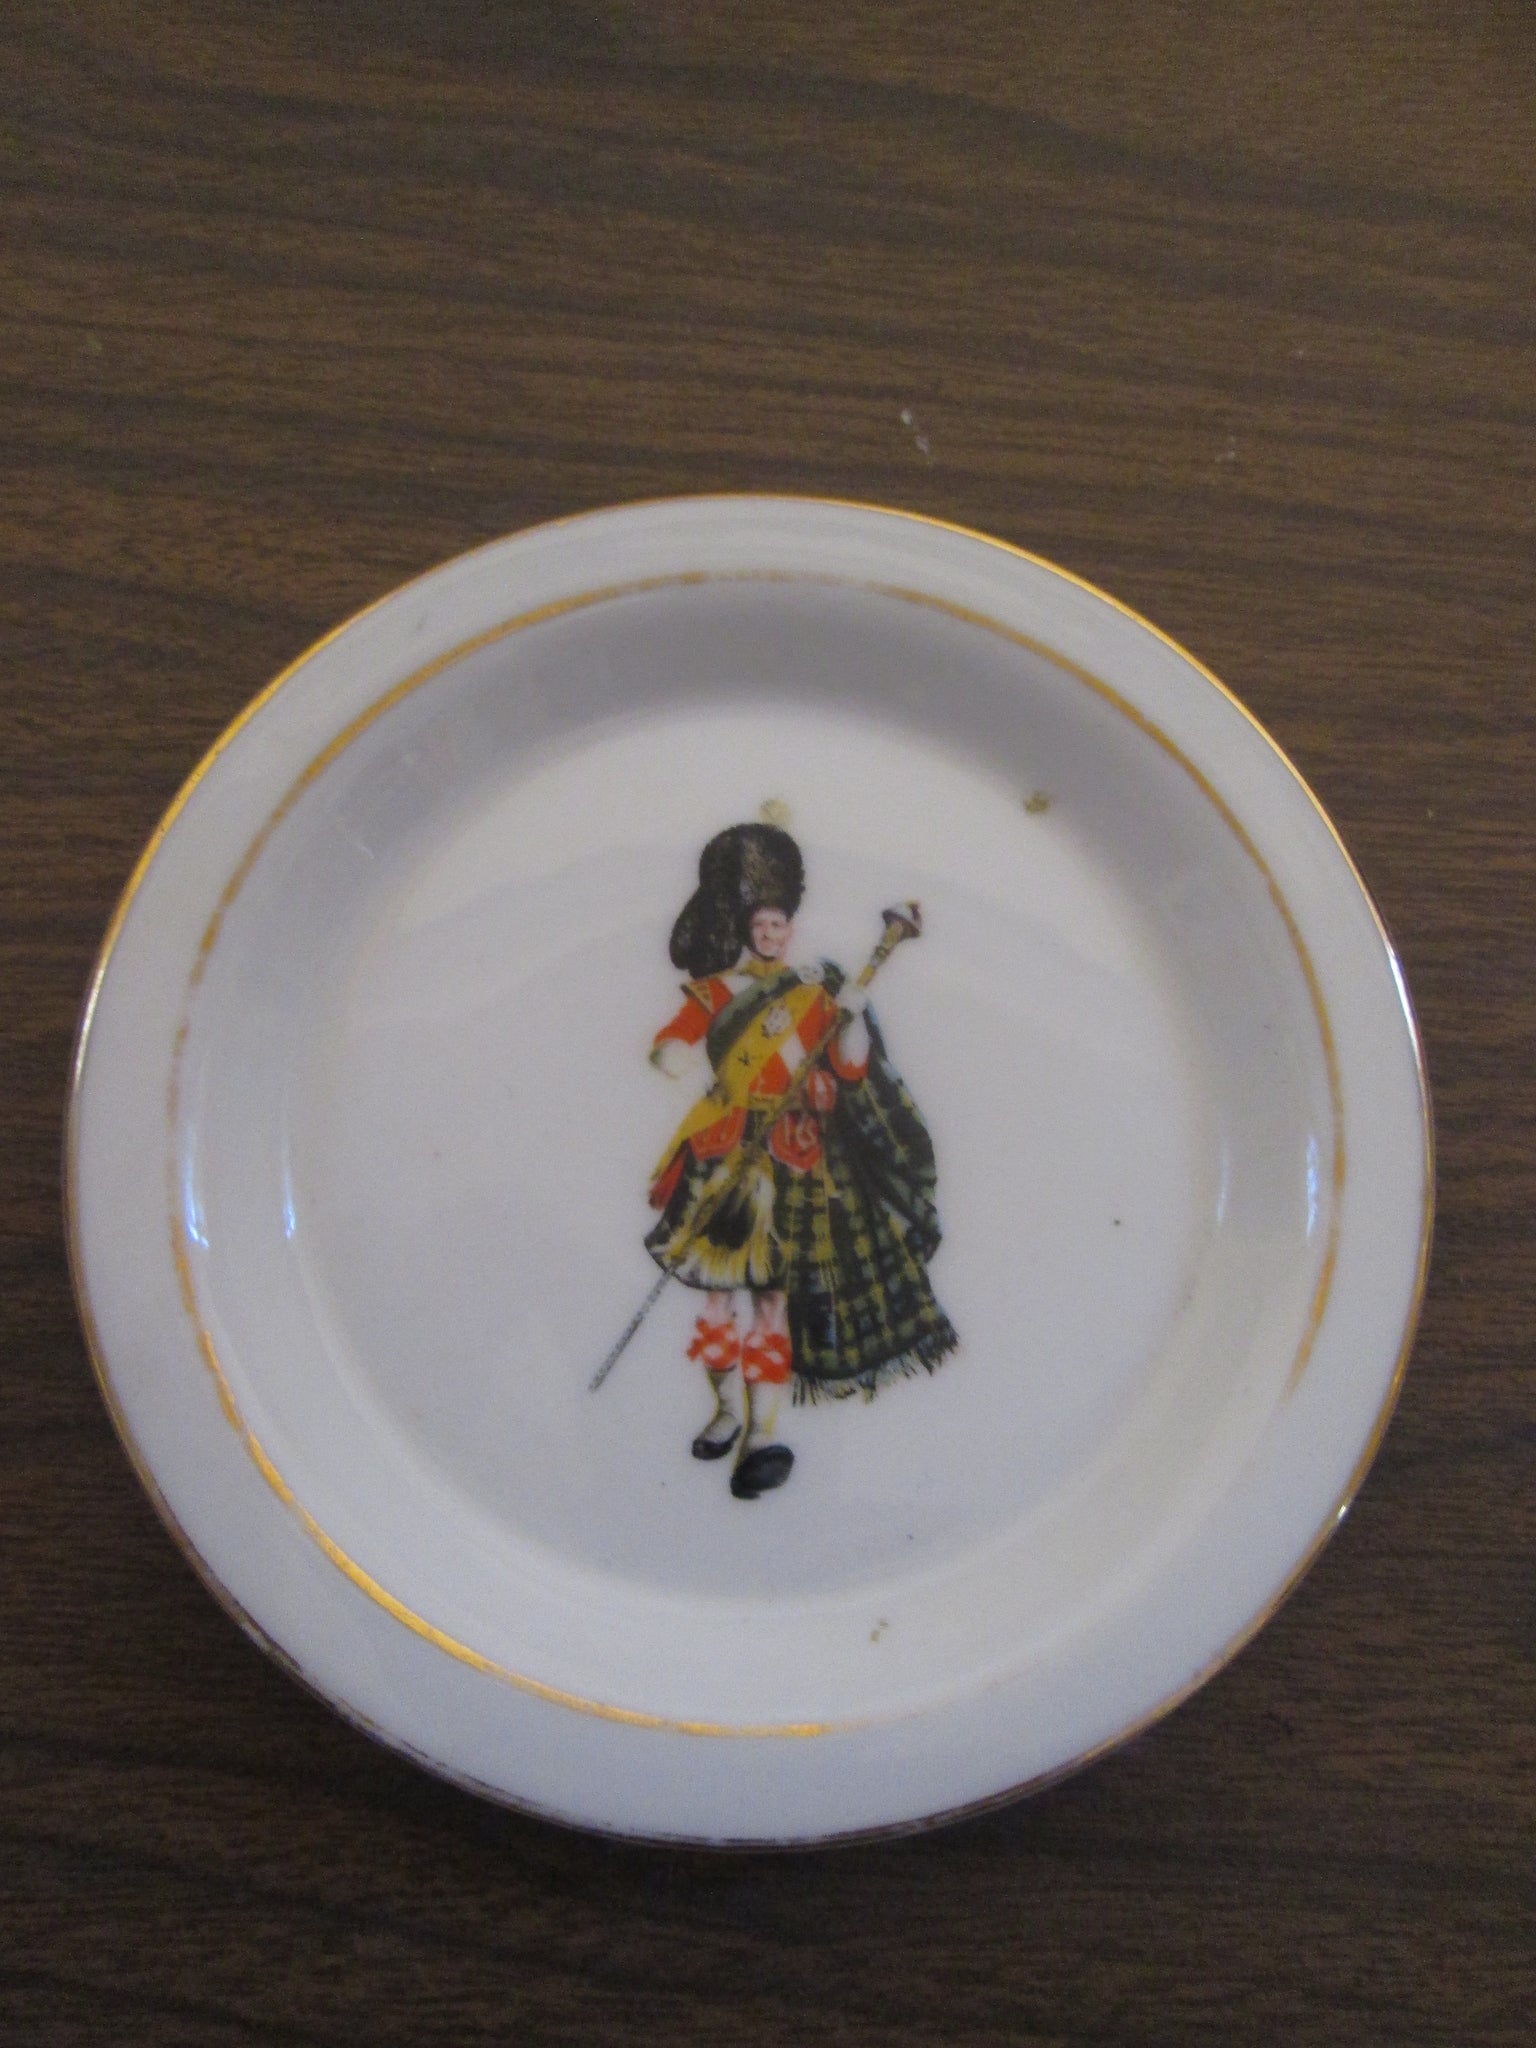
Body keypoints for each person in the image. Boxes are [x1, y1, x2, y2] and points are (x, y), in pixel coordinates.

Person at [647, 821, 956, 1499]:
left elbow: (850, 1070)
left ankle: (762, 1435)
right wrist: (674, 1057)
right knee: (718, 1300)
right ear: (747, 928)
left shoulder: (818, 990)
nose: (769, 934)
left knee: (771, 1304)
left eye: (778, 924)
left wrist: (852, 1016)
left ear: (790, 928)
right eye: (759, 924)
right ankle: (725, 1411)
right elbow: (672, 1045)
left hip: (796, 1159)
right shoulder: (719, 992)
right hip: (729, 1154)